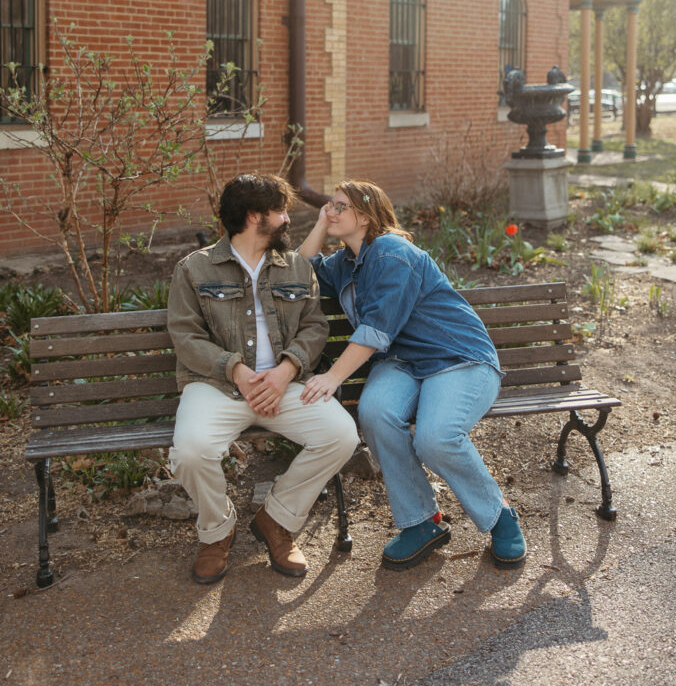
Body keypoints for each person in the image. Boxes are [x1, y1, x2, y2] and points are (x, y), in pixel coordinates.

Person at [298, 179, 526, 572]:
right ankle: (421, 523)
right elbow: (298, 275)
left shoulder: (391, 253)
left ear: (367, 217)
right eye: (329, 205)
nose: (331, 211)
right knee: (375, 412)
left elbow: (377, 329)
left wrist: (333, 376)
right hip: (404, 364)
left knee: (436, 438)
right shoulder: (346, 262)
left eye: (340, 207)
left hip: (455, 357)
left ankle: (499, 514)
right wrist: (320, 226)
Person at [167, 173, 359, 584]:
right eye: (280, 211)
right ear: (256, 217)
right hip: (217, 385)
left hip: (283, 386)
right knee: (190, 451)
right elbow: (186, 337)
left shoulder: (294, 266)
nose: (288, 219)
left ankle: (277, 520)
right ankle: (216, 532)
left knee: (341, 435)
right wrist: (237, 371)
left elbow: (314, 327)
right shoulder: (195, 269)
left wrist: (286, 370)